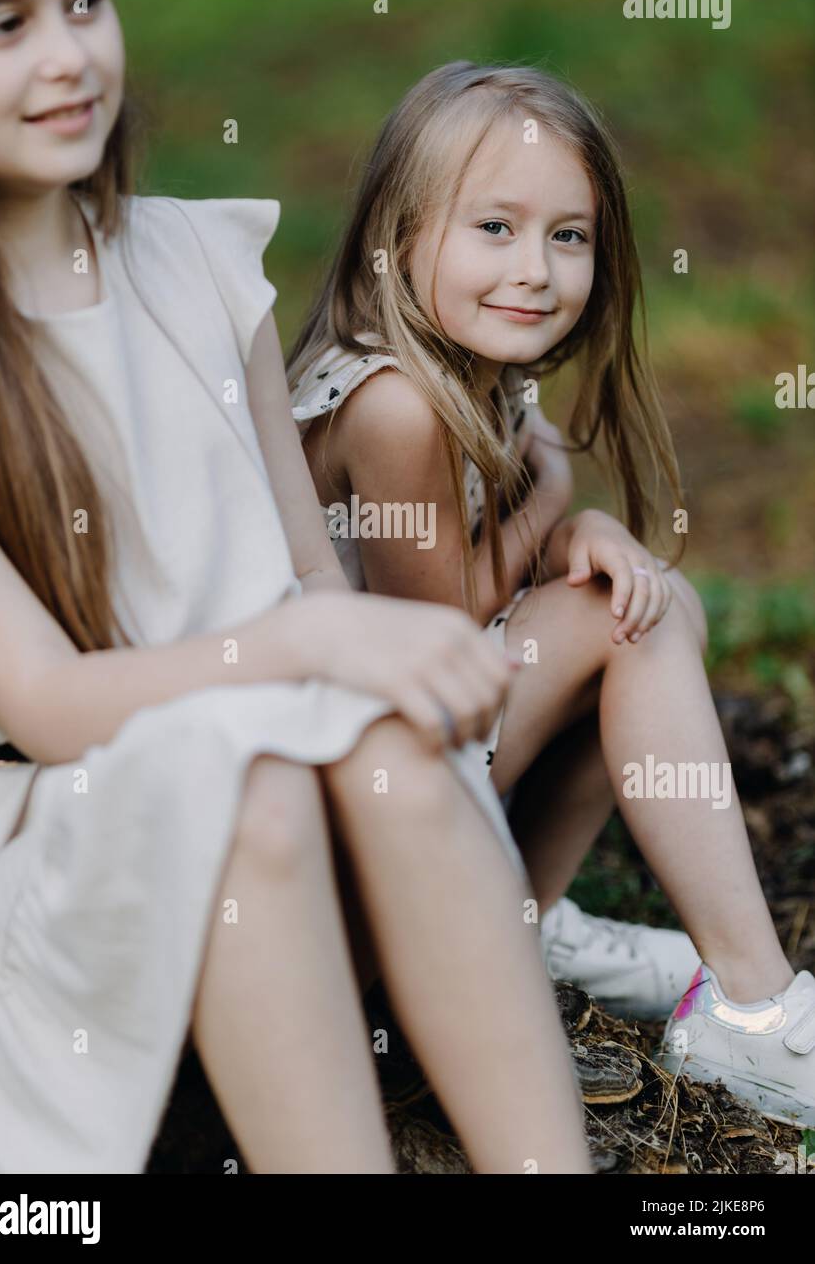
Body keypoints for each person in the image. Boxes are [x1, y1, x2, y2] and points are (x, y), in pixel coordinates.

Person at [0, 0, 594, 1174]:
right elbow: (51, 701)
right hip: (46, 828)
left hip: (272, 765)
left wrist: (341, 645)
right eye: (2, 24)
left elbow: (310, 573)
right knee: (254, 782)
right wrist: (320, 647)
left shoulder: (196, 265)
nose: (71, 55)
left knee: (381, 749)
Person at [288, 59, 815, 1127]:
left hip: (397, 772)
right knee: (632, 612)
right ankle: (751, 1011)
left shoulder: (454, 369)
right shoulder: (392, 404)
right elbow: (444, 653)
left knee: (648, 602)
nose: (534, 269)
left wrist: (574, 527)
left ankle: (515, 920)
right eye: (492, 228)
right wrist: (559, 499)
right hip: (348, 822)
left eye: (565, 235)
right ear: (397, 243)